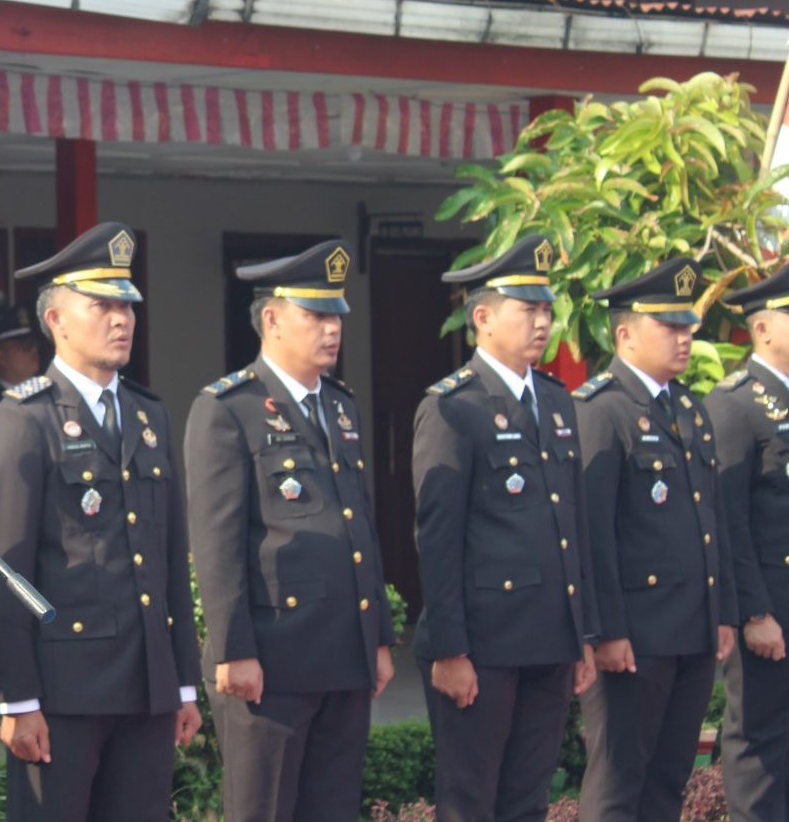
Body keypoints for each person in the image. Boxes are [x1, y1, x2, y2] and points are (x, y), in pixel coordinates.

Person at [0, 222, 201, 822]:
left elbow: (173, 556)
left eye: (127, 304)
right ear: (56, 320)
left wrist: (182, 683)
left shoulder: (150, 416)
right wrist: (17, 698)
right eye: (102, 305)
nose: (122, 318)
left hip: (147, 686)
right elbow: (2, 572)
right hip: (63, 693)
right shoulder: (26, 418)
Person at [184, 239, 395, 821]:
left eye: (336, 316)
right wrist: (233, 651)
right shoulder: (229, 408)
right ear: (272, 319)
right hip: (272, 661)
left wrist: (377, 633)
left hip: (341, 652)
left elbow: (360, 526)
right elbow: (217, 542)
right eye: (316, 315)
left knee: (331, 810)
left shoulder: (342, 406)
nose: (332, 329)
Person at [411, 235, 599, 822]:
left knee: (526, 800)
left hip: (547, 639)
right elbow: (437, 539)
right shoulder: (453, 406)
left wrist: (582, 634)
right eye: (528, 310)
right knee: (471, 800)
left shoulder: (556, 401)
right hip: (483, 644)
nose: (542, 322)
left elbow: (572, 527)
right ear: (483, 317)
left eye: (546, 310)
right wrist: (451, 648)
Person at [574, 257, 737, 822]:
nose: (685, 337)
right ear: (625, 334)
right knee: (619, 784)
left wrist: (723, 612)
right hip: (635, 640)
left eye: (687, 326)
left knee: (669, 784)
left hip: (691, 630)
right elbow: (592, 536)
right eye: (668, 326)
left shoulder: (688, 408)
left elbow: (710, 520)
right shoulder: (602, 410)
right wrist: (608, 632)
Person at [708, 265, 789, 822]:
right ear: (762, 330)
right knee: (759, 740)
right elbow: (727, 519)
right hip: (771, 610)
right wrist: (754, 611)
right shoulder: (736, 404)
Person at [0, 304, 42, 402]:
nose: (34, 350)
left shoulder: (46, 394)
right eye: (25, 345)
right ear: (1, 358)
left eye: (34, 343)